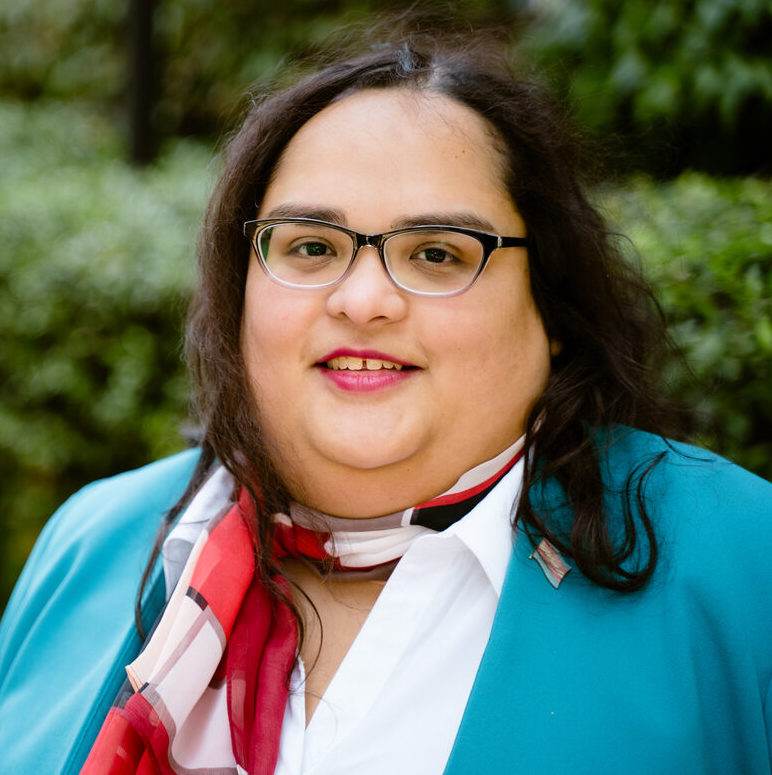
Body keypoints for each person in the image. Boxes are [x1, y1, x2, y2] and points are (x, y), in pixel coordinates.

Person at [1, 25, 771, 775]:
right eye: (310, 246)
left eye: (437, 253)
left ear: (553, 304)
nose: (362, 298)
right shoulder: (92, 541)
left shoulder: (740, 563)